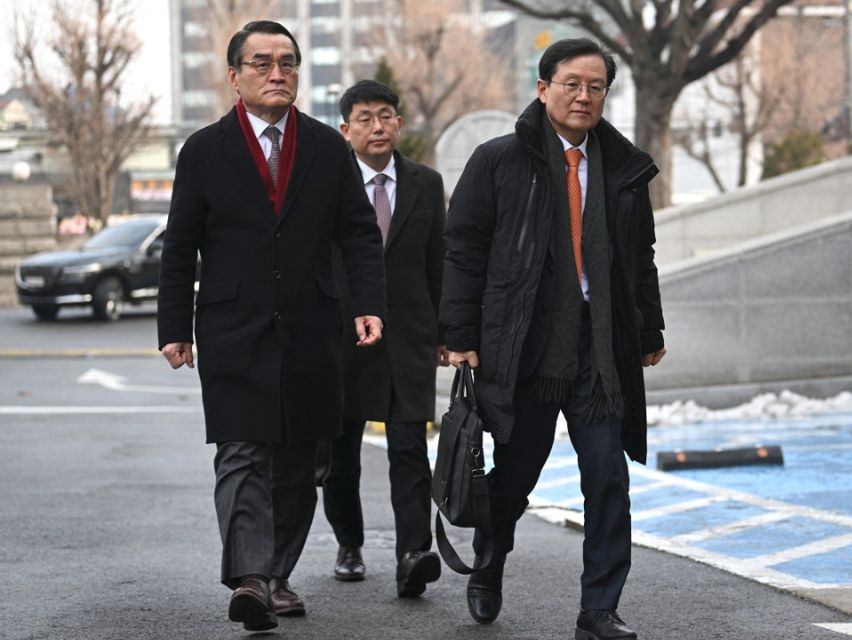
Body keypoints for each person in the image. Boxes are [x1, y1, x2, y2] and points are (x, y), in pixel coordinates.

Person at [157, 21, 385, 633]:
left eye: (287, 62)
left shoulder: (325, 147)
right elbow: (180, 246)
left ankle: (276, 576)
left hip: (313, 323)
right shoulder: (204, 149)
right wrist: (174, 324)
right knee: (241, 450)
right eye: (261, 63)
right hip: (233, 325)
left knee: (300, 457)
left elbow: (359, 234)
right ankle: (251, 578)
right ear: (235, 76)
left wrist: (369, 302)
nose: (276, 73)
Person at [440, 38, 667, 640]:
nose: (583, 96)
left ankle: (599, 609)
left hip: (601, 347)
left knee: (607, 479)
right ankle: (489, 564)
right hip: (525, 346)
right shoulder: (497, 161)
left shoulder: (624, 167)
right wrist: (459, 334)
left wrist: (649, 326)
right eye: (571, 83)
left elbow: (638, 256)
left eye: (596, 86)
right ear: (543, 90)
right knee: (514, 478)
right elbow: (463, 249)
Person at [321, 79, 448, 597]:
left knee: (409, 449)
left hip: (409, 338)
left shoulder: (426, 183)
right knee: (341, 453)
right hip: (343, 337)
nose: (378, 127)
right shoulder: (327, 185)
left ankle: (412, 554)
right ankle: (349, 543)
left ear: (398, 124)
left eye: (386, 116)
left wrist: (446, 331)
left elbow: (438, 262)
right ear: (345, 129)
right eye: (365, 118)